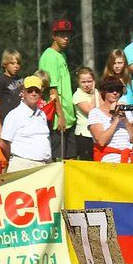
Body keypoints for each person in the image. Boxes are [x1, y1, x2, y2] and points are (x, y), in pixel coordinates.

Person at [40, 19, 76, 160]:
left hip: (68, 115)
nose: (66, 38)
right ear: (54, 36)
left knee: (71, 159)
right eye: (62, 35)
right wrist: (60, 116)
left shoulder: (62, 55)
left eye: (68, 35)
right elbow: (52, 90)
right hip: (57, 118)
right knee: (58, 159)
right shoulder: (49, 57)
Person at [88, 77, 133, 163]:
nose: (115, 93)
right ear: (103, 92)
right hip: (108, 160)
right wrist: (116, 120)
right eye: (111, 90)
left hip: (129, 160)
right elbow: (101, 141)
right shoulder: (95, 113)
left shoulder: (126, 112)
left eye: (118, 90)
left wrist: (125, 120)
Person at [0, 50, 23, 167]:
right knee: (0, 162)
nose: (16, 66)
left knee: (15, 161)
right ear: (5, 64)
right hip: (3, 124)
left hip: (16, 126)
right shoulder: (0, 80)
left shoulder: (20, 80)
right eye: (12, 63)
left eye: (18, 63)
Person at [72, 67, 100, 161]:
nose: (87, 84)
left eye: (89, 81)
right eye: (83, 82)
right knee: (86, 161)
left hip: (97, 133)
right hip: (84, 134)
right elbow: (90, 111)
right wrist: (93, 94)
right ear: (78, 82)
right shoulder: (78, 95)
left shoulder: (97, 92)